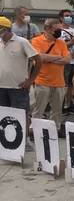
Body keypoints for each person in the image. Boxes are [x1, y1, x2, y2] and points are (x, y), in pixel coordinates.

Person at [0, 16, 41, 150]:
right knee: (3, 117)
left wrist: (30, 80)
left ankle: (25, 141)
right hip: (1, 88)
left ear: (5, 29)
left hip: (18, 87)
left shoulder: (22, 42)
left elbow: (38, 60)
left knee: (21, 115)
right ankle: (6, 143)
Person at [31, 19, 72, 136]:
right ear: (48, 28)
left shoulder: (61, 43)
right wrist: (57, 57)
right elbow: (39, 57)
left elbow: (67, 60)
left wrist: (48, 58)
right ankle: (35, 132)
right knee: (39, 109)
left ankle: (53, 132)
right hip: (42, 81)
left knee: (57, 111)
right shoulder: (36, 40)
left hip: (59, 82)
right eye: (57, 29)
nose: (59, 32)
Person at [58, 9, 74, 113]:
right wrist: (70, 43)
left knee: (71, 84)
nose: (69, 17)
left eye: (70, 15)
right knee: (64, 84)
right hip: (64, 61)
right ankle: (62, 104)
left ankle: (69, 104)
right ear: (61, 18)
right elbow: (58, 46)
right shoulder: (58, 30)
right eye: (66, 15)